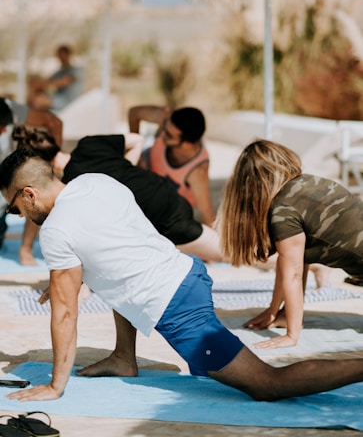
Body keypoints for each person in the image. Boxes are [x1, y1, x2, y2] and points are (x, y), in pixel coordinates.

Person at [2, 150, 363, 403]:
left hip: (176, 307)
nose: (17, 214)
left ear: (29, 193)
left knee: (267, 384)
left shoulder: (55, 230)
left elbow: (65, 314)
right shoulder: (96, 183)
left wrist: (55, 385)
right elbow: (115, 248)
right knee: (112, 275)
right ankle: (123, 357)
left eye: (14, 206)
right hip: (186, 272)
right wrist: (67, 276)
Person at [217, 138, 363, 350]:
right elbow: (294, 264)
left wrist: (292, 335)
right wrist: (275, 311)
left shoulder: (283, 210)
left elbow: (293, 275)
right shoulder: (308, 184)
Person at [12, 126, 223, 263]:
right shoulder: (89, 144)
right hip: (166, 197)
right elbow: (137, 139)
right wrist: (126, 169)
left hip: (165, 220)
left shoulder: (72, 187)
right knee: (217, 250)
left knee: (230, 253)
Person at [0, 97, 63, 265]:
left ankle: (25, 249)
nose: (4, 131)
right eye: (1, 127)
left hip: (10, 186)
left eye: (5, 125)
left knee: (31, 194)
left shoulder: (8, 109)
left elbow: (54, 122)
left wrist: (51, 160)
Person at [128, 105, 215, 225]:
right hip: (146, 171)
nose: (163, 133)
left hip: (167, 206)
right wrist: (136, 148)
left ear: (187, 144)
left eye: (169, 135)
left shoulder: (197, 171)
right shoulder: (169, 119)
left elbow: (207, 215)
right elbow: (134, 113)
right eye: (164, 127)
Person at [28, 45, 83, 112]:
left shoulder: (77, 70)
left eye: (62, 56)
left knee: (39, 100)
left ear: (68, 55)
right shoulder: (60, 72)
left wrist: (40, 84)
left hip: (69, 101)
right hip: (58, 98)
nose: (60, 59)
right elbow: (48, 81)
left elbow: (60, 82)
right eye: (59, 56)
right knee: (35, 94)